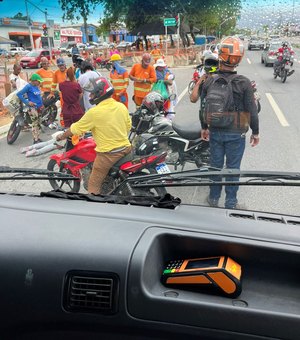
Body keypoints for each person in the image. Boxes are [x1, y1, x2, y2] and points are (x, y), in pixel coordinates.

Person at [190, 36, 260, 209]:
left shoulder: (210, 80)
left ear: (220, 56)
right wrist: (256, 132)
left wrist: (204, 128)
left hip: (215, 130)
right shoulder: (243, 82)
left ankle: (213, 198)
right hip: (237, 131)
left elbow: (203, 106)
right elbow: (252, 110)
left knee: (215, 166)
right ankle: (230, 202)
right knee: (233, 168)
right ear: (239, 59)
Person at [56, 77, 132, 195]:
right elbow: (127, 127)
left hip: (108, 154)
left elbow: (75, 128)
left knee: (93, 184)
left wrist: (62, 136)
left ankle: (95, 204)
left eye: (92, 94)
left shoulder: (94, 113)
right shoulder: (121, 106)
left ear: (99, 94)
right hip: (126, 148)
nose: (90, 96)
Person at [16, 73, 44, 144]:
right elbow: (19, 94)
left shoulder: (37, 86)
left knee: (39, 123)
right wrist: (27, 102)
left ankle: (38, 137)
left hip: (39, 107)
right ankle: (35, 139)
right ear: (34, 81)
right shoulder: (28, 86)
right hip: (32, 108)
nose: (39, 82)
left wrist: (42, 104)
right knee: (35, 123)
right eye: (38, 81)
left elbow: (38, 96)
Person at [51, 57, 67, 128]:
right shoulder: (56, 73)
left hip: (71, 94)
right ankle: (63, 124)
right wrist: (52, 93)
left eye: (62, 65)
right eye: (59, 65)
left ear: (65, 65)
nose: (61, 67)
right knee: (63, 109)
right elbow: (54, 84)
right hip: (63, 94)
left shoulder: (69, 71)